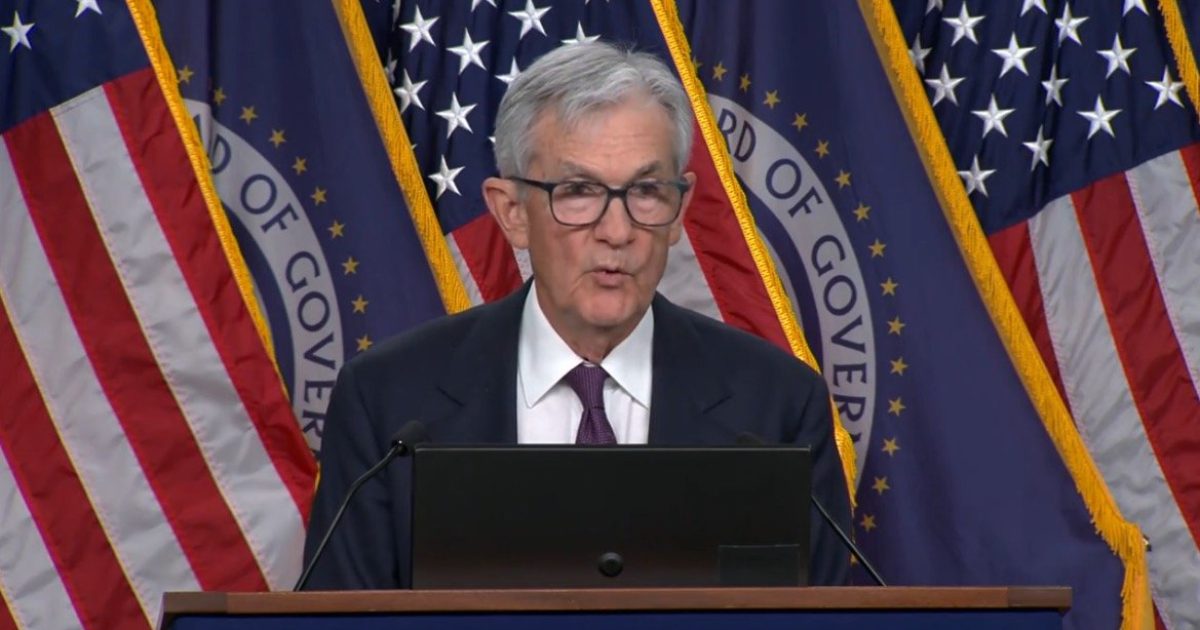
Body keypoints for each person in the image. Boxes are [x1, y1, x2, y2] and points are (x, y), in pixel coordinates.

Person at [303, 41, 850, 588]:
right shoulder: (389, 404)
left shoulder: (776, 409)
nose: (617, 231)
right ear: (512, 213)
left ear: (680, 210)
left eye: (646, 191)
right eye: (580, 192)